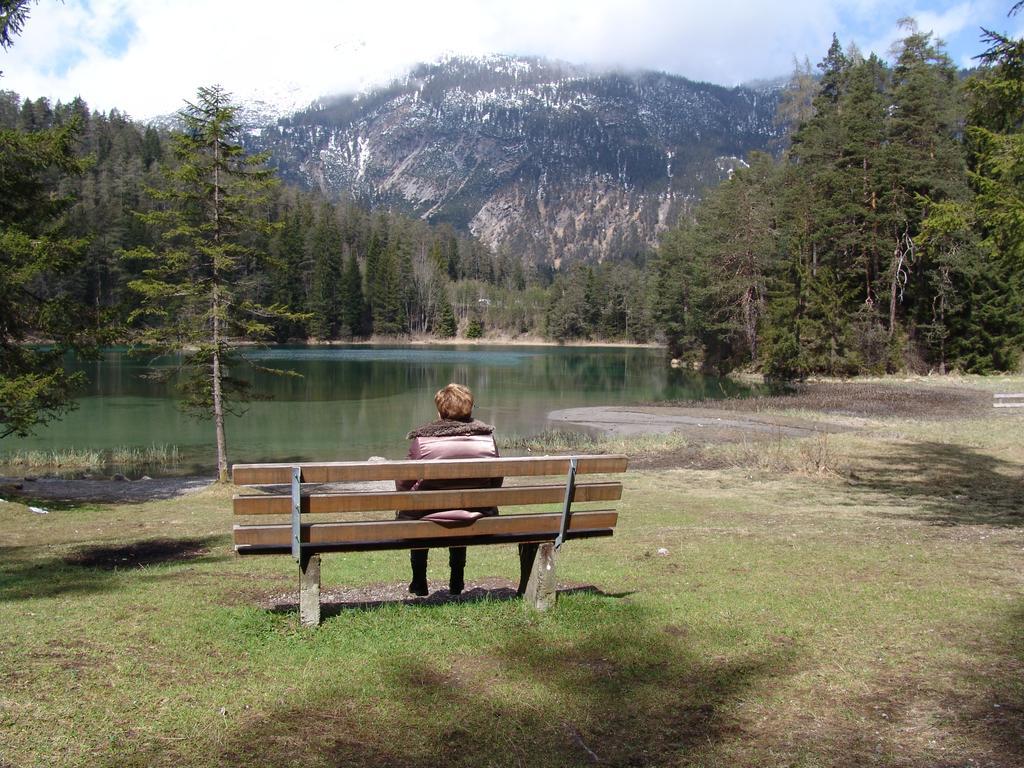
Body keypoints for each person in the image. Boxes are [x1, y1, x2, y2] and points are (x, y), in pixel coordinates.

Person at [397, 383, 502, 596]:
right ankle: (456, 582)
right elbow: (496, 482)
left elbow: (403, 484)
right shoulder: (487, 440)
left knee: (414, 511)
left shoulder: (422, 441)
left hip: (426, 516)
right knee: (462, 505)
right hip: (477, 515)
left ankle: (419, 582)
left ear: (440, 411)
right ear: (470, 409)